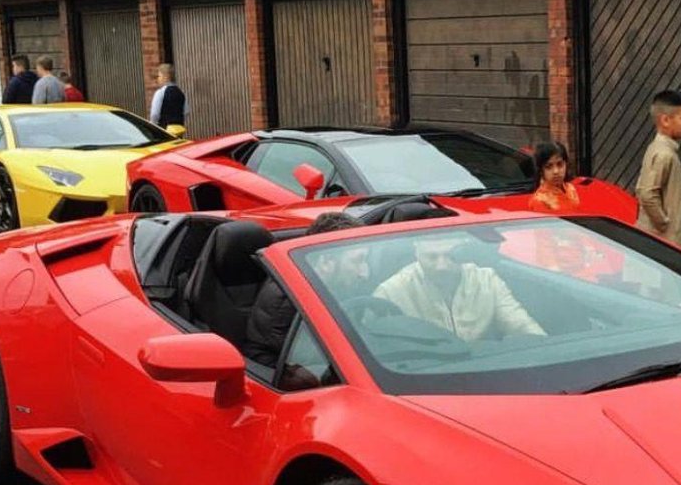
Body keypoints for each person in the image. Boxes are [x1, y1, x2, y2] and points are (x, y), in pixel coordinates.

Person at [245, 212, 366, 376]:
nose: (365, 273)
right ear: (325, 262)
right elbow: (305, 365)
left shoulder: (338, 285)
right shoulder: (288, 301)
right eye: (357, 261)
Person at [374, 235, 544, 342]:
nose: (441, 266)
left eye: (450, 256)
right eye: (432, 257)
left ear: (464, 250)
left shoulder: (486, 280)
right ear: (416, 253)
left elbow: (523, 327)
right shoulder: (390, 291)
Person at [635, 88, 681, 251]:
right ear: (665, 120)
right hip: (663, 241)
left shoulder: (660, 149)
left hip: (662, 238)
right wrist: (664, 224)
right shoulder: (664, 154)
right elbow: (647, 194)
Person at [527, 141, 580, 213]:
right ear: (541, 170)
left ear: (566, 164)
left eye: (560, 164)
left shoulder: (571, 189)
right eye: (548, 167)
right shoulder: (540, 200)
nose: (556, 171)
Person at [150, 63, 186, 129]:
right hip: (179, 129)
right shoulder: (181, 92)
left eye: (159, 76)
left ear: (165, 77)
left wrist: (153, 128)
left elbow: (154, 114)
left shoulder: (160, 93)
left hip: (164, 131)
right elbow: (186, 111)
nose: (158, 79)